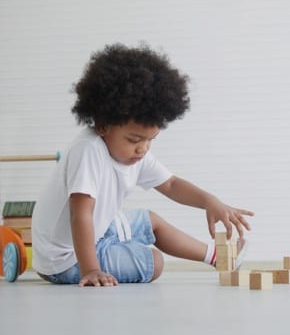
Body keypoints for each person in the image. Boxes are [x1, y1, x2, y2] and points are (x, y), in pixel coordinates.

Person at [31, 43, 253, 287]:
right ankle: (99, 261)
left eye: (150, 140)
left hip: (96, 233)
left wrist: (209, 201)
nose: (143, 149)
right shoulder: (88, 151)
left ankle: (219, 258)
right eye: (134, 140)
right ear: (103, 125)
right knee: (154, 263)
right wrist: (91, 269)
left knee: (151, 220)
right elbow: (80, 214)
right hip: (64, 259)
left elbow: (171, 184)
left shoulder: (134, 153)